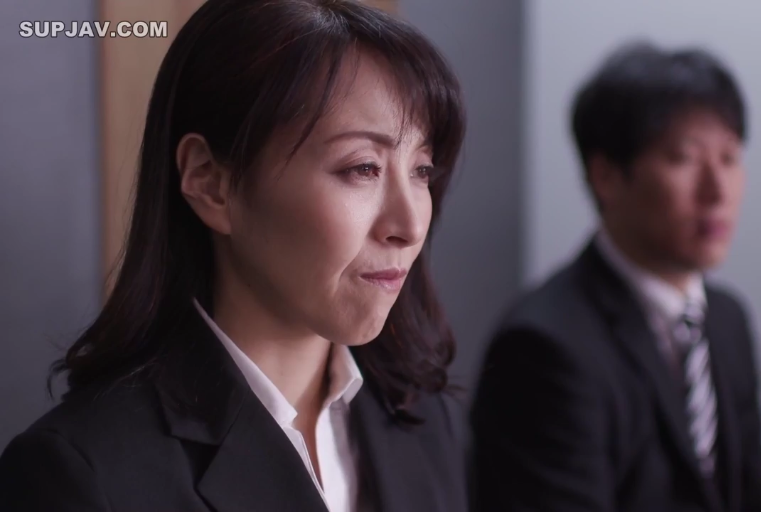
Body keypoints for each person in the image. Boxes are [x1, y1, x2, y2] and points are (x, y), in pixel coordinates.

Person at [0, 1, 467, 511]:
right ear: (210, 183)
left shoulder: (424, 421)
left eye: (422, 170)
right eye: (362, 168)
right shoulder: (85, 475)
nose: (410, 226)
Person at [471, 42, 761, 512]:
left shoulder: (727, 320)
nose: (718, 190)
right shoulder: (544, 346)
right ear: (607, 176)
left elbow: (755, 490)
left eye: (729, 158)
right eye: (684, 158)